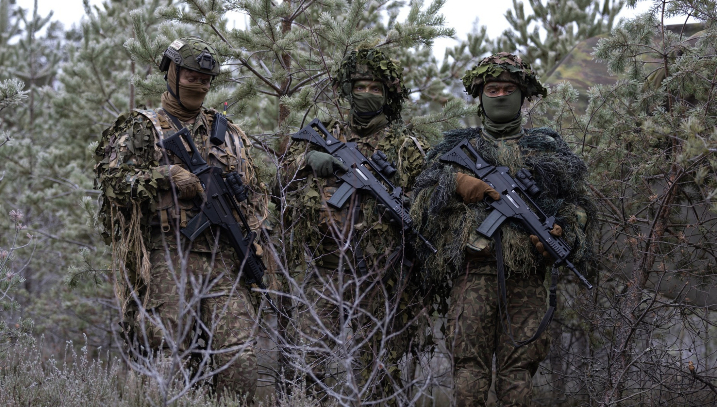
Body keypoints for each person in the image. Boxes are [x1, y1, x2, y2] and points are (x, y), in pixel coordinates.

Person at [410, 52, 596, 406]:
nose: (499, 95)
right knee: (469, 368)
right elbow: (420, 200)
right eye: (492, 89)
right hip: (473, 274)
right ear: (480, 97)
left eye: (507, 89)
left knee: (518, 371)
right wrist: (456, 183)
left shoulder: (546, 151)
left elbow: (578, 206)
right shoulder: (457, 149)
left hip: (526, 278)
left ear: (523, 95)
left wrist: (563, 230)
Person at [94, 37, 269, 403]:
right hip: (168, 254)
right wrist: (165, 176)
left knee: (239, 358)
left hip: (225, 258)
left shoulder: (230, 134)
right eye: (191, 77)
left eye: (205, 80)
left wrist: (256, 243)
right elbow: (110, 181)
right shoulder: (142, 128)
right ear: (171, 74)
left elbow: (254, 196)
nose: (199, 86)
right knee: (164, 353)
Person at [277, 48, 429, 402]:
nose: (367, 94)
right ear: (348, 90)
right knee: (310, 365)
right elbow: (278, 185)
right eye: (361, 86)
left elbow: (426, 204)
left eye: (376, 88)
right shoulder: (327, 134)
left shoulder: (405, 146)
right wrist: (307, 161)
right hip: (326, 271)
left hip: (381, 276)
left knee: (379, 373)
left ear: (387, 95)